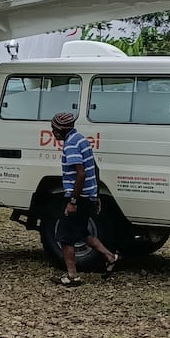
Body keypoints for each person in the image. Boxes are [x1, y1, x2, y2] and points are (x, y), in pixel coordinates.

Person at [49, 111, 119, 286]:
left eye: (54, 129)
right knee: (82, 232)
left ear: (60, 130)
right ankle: (110, 257)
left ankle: (72, 276)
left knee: (65, 236)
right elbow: (94, 168)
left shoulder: (71, 144)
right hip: (88, 196)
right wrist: (94, 195)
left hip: (78, 198)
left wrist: (72, 201)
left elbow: (80, 174)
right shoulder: (82, 139)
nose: (52, 132)